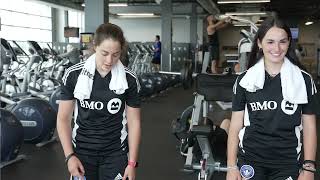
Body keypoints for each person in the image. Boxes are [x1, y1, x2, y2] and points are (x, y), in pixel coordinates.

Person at [227, 16, 317, 180]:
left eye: (282, 41)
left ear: (289, 42)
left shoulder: (303, 80)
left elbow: (309, 126)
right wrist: (231, 166)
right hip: (251, 159)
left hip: (287, 162)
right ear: (260, 43)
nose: (277, 48)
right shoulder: (244, 81)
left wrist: (309, 167)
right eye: (270, 42)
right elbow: (235, 126)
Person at [57, 23, 141, 180]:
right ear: (94, 46)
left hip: (115, 153)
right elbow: (63, 119)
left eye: (116, 54)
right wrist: (69, 156)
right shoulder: (73, 75)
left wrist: (132, 163)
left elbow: (134, 122)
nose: (109, 60)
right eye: (104, 53)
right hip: (82, 152)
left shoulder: (129, 79)